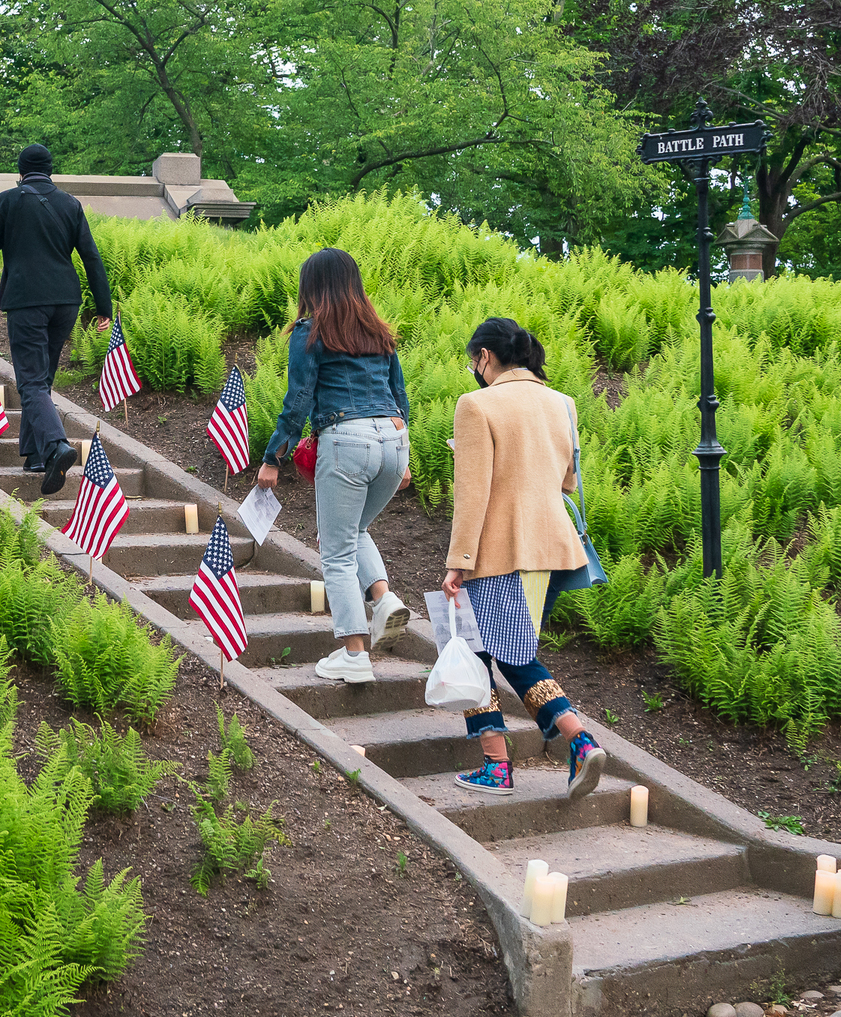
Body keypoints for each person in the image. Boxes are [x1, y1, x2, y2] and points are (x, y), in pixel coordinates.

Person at [439, 318, 608, 799]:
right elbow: (568, 482)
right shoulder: (563, 403)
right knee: (509, 651)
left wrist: (459, 560)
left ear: (485, 358)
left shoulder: (475, 405)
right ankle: (566, 745)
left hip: (499, 549)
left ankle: (545, 750)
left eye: (474, 361)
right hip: (552, 549)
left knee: (477, 649)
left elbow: (474, 494)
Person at [255, 248, 413, 684]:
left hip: (347, 440)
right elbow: (400, 396)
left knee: (337, 550)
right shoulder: (379, 333)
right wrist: (405, 458)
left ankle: (355, 653)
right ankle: (382, 600)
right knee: (353, 532)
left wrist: (273, 457)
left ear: (312, 287)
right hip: (393, 440)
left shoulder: (311, 332)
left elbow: (299, 400)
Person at [0, 146, 110, 493]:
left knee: (30, 381)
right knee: (42, 378)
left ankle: (56, 445)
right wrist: (104, 306)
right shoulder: (70, 204)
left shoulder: (9, 201)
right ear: (50, 170)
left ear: (21, 171)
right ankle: (36, 456)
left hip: (27, 301)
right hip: (66, 302)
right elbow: (91, 257)